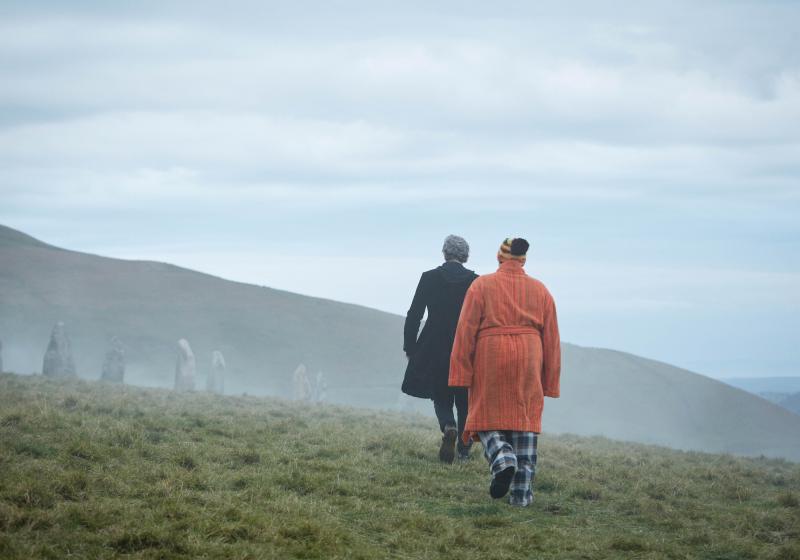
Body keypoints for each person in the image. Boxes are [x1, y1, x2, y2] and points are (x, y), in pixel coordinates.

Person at [449, 237, 561, 506]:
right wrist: (550, 381)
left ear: (500, 258)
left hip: (492, 354)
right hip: (530, 356)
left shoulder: (482, 285)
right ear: (523, 261)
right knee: (524, 423)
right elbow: (552, 339)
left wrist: (460, 373)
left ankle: (502, 459)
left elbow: (465, 331)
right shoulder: (541, 290)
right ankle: (521, 497)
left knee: (485, 416)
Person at [402, 235, 479, 463]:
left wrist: (411, 347)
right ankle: (464, 450)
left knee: (441, 393)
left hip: (433, 344)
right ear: (465, 256)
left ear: (445, 253)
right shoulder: (476, 282)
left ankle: (448, 426)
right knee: (464, 398)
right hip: (465, 345)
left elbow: (414, 314)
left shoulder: (429, 278)